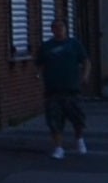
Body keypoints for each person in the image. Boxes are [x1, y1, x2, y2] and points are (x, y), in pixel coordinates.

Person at [35, 21, 90, 161]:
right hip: (53, 90)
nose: (59, 30)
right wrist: (39, 78)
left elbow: (85, 61)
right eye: (56, 28)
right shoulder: (46, 46)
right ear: (52, 30)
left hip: (72, 88)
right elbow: (40, 65)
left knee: (78, 118)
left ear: (66, 29)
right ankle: (59, 148)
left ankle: (79, 139)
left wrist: (85, 75)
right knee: (54, 120)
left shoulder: (74, 44)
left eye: (61, 27)